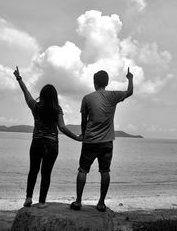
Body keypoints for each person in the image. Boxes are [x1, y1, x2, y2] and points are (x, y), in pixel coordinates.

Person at [13, 66, 81, 208]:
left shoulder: (35, 107)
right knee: (46, 173)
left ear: (42, 95)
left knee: (33, 170)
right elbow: (62, 127)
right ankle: (42, 202)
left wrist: (19, 78)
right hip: (51, 144)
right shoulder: (57, 109)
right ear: (54, 96)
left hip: (36, 142)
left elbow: (26, 92)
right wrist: (77, 138)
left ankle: (28, 198)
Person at [70, 68, 133, 212]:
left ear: (94, 82)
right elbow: (129, 92)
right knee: (105, 171)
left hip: (90, 141)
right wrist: (130, 78)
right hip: (106, 142)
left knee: (83, 170)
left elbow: (83, 121)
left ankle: (78, 202)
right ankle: (101, 203)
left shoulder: (87, 98)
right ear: (107, 82)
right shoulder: (113, 95)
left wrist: (83, 135)